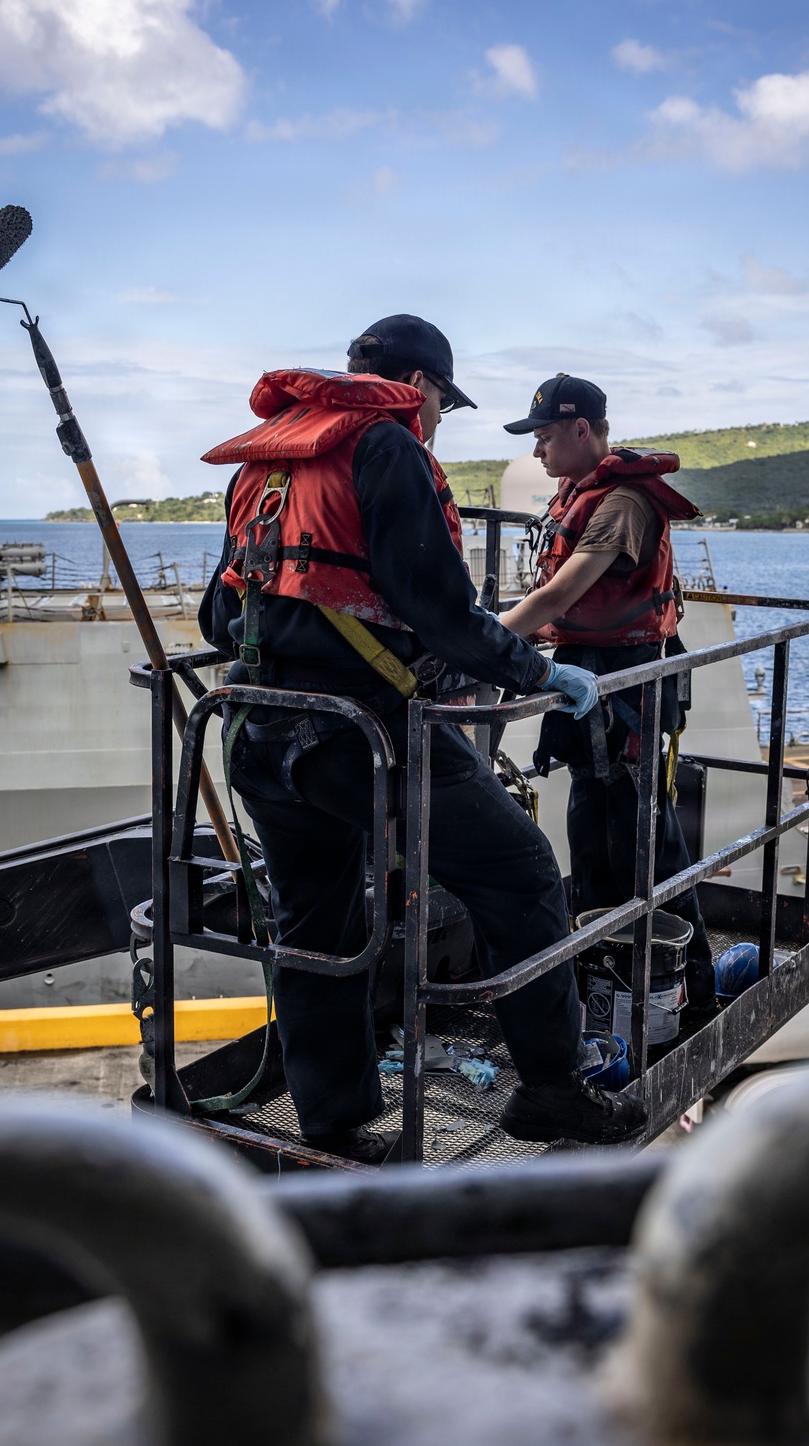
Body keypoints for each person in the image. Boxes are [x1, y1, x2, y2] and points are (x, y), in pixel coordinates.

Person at [198, 317, 647, 1162]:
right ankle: (551, 1087)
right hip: (358, 739)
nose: (438, 417)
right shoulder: (386, 445)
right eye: (443, 400)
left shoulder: (267, 458)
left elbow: (219, 615)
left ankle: (331, 1115)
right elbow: (443, 614)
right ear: (421, 384)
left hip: (254, 732)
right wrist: (545, 675)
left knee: (313, 922)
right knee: (517, 873)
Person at [499, 374, 716, 1019]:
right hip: (586, 673)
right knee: (590, 827)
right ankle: (600, 977)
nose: (537, 450)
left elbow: (558, 596)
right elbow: (562, 609)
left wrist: (472, 646)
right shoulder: (578, 493)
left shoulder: (622, 504)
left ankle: (691, 983)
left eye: (543, 436)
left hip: (631, 680)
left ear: (582, 430)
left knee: (646, 835)